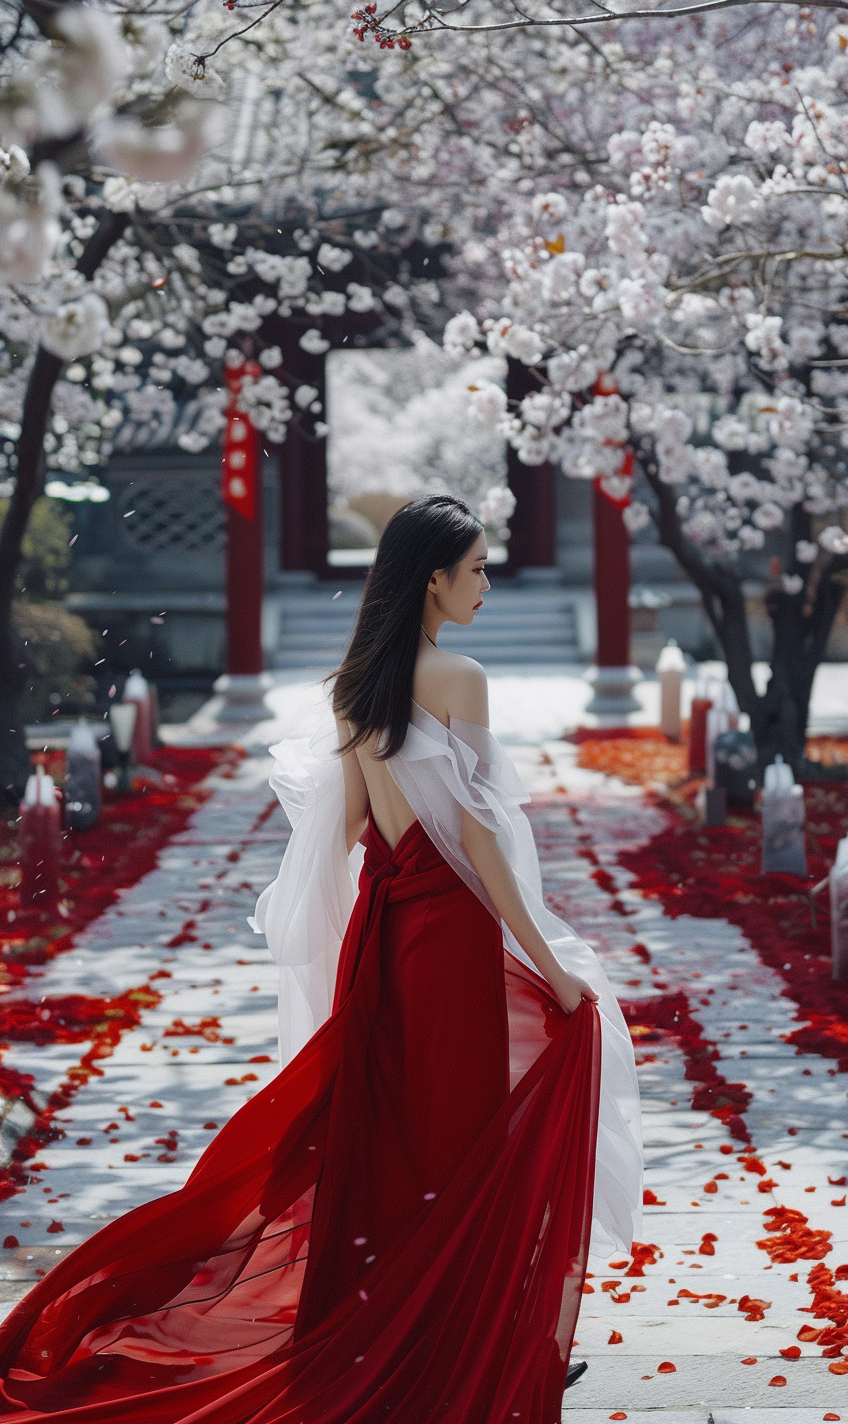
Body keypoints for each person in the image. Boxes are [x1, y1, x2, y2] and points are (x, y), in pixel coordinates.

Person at [0, 495, 642, 1423]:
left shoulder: (356, 685)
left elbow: (347, 829)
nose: (488, 585)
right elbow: (482, 839)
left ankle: (436, 1327)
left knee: (395, 1138)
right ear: (434, 579)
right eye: (477, 570)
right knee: (464, 1140)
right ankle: (464, 1337)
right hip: (453, 937)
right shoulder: (459, 678)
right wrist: (547, 959)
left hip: (385, 938)